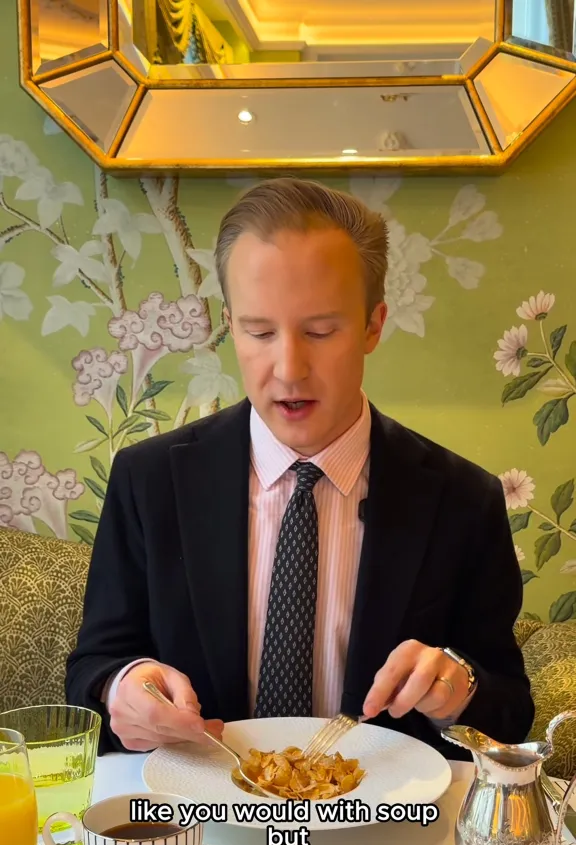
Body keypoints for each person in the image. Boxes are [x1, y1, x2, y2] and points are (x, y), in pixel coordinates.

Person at [65, 177, 534, 758]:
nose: (288, 368)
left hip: (385, 827)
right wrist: (123, 687)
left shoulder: (464, 499)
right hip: (198, 823)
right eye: (258, 331)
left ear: (372, 325)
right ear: (230, 325)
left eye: (320, 331)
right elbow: (95, 666)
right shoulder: (149, 481)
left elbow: (510, 711)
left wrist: (457, 684)